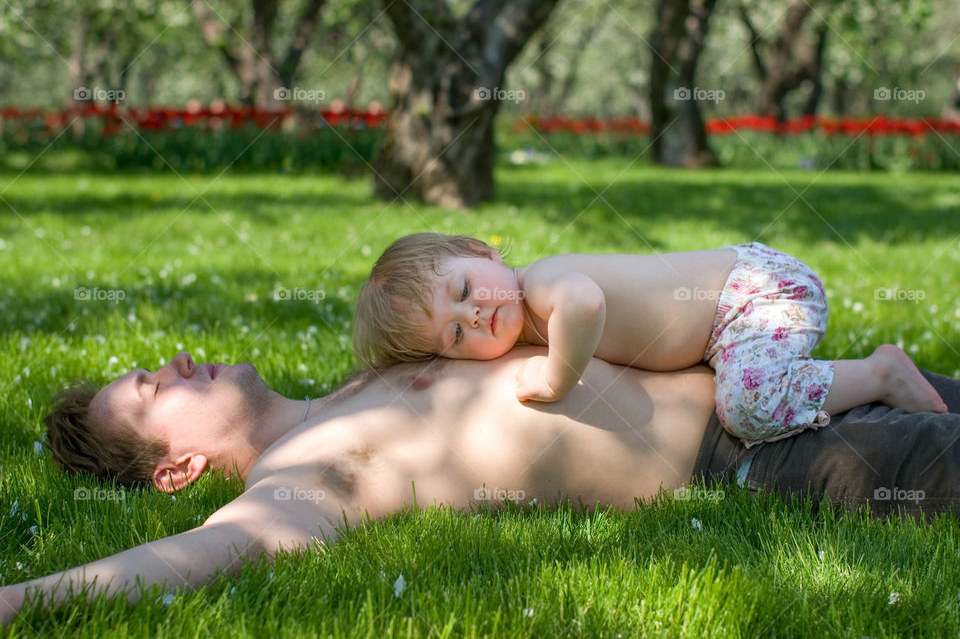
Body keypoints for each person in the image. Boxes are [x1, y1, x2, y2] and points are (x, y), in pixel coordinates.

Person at [3, 348, 960, 623]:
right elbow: (196, 556)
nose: (173, 363)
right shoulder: (305, 474)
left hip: (798, 385)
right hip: (768, 457)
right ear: (174, 469)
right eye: (150, 390)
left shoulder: (360, 374)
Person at [352, 233, 947, 445]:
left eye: (464, 288)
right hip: (728, 319)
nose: (475, 314)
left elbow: (585, 305)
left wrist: (557, 376)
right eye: (455, 333)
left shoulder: (544, 283)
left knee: (748, 409)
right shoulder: (522, 318)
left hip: (756, 294)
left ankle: (881, 374)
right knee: (745, 393)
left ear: (482, 252)